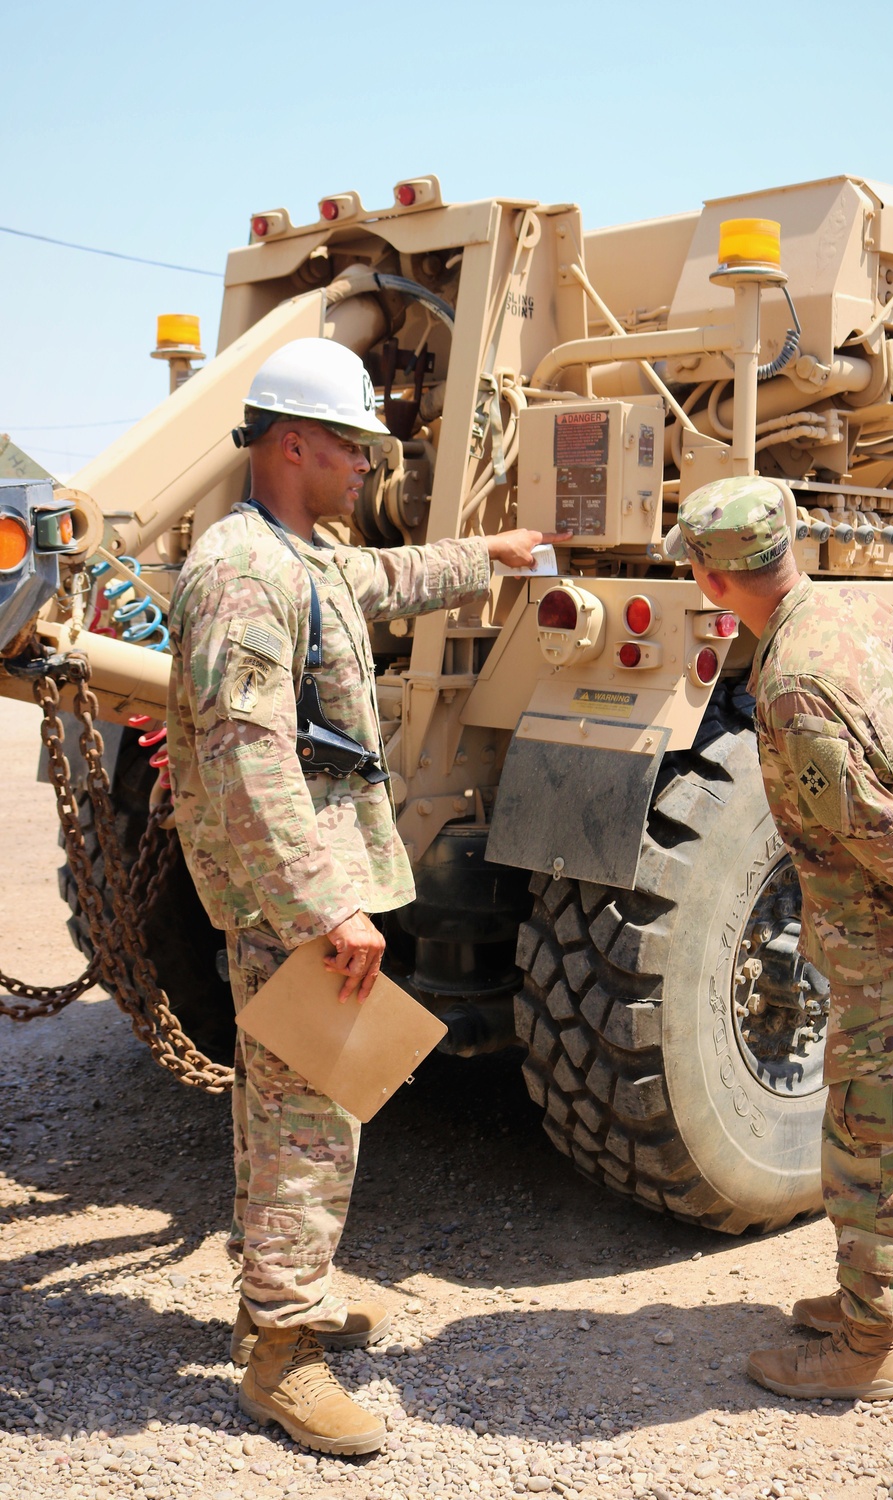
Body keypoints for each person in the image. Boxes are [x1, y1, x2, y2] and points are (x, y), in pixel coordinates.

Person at [167, 337, 562, 1454]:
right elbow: (248, 762)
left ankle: (283, 1297)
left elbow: (380, 579)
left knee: (293, 1108)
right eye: (353, 447)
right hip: (296, 901)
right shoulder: (244, 574)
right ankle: (280, 1355)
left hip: (312, 887)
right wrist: (320, 908)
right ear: (294, 443)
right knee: (307, 1122)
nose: (366, 468)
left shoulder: (299, 555)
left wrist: (489, 553)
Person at [664, 475, 893, 1401]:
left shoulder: (792, 682)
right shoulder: (864, 609)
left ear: (709, 576)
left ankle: (867, 1347)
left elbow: (868, 827)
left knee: (874, 1138)